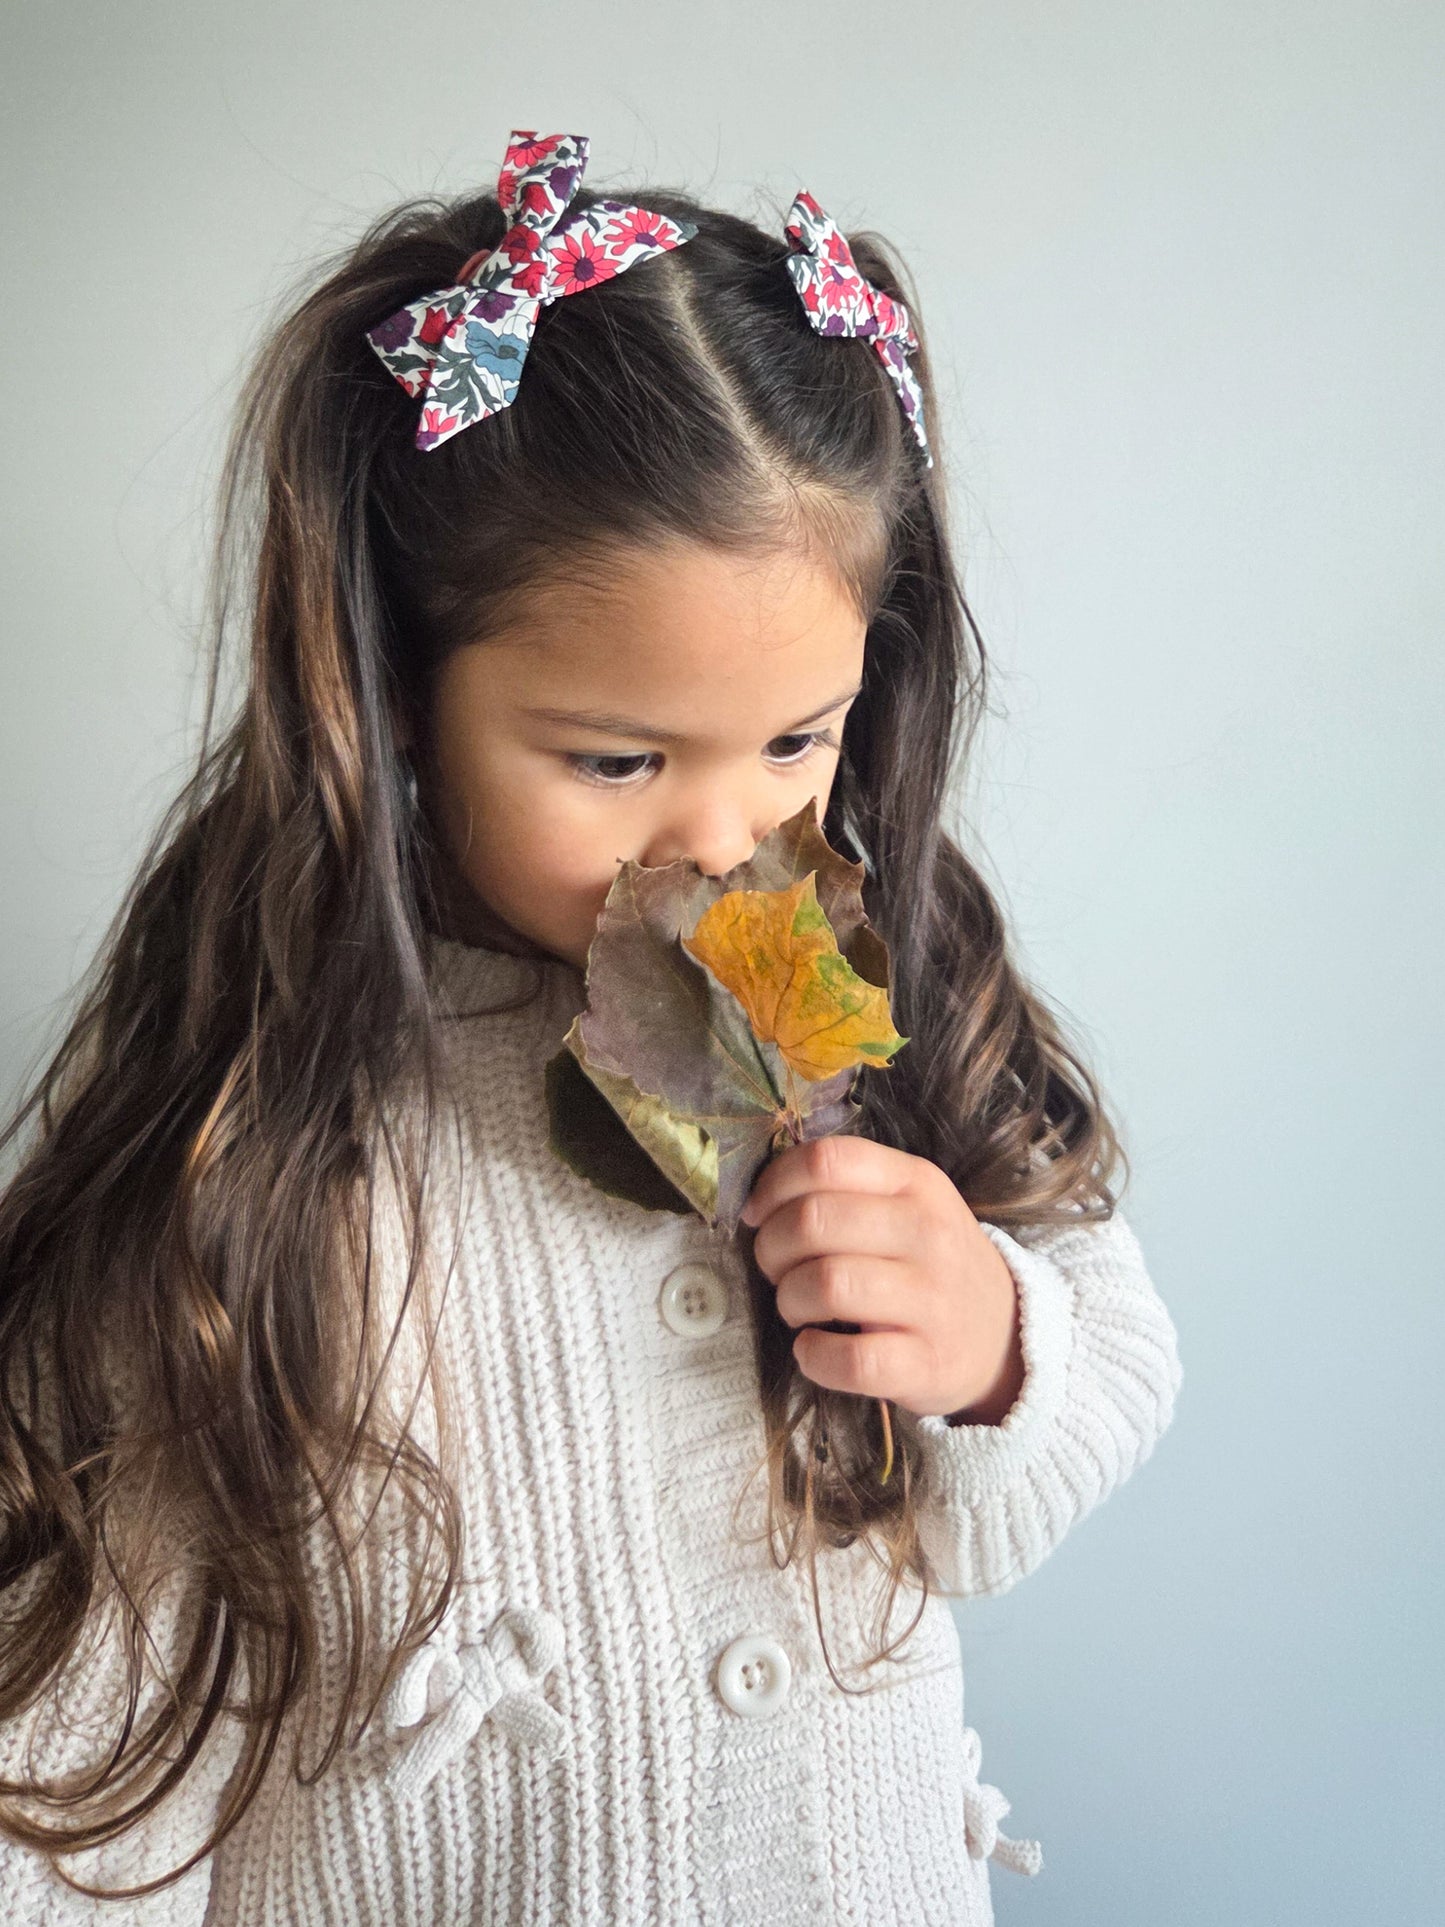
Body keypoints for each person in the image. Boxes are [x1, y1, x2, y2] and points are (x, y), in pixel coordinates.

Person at [0, 128, 1183, 1924]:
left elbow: (1040, 1456)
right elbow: (69, 1789)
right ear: (396, 693)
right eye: (616, 760)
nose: (722, 837)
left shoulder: (855, 983)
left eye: (797, 740)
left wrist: (993, 1343)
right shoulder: (258, 1144)